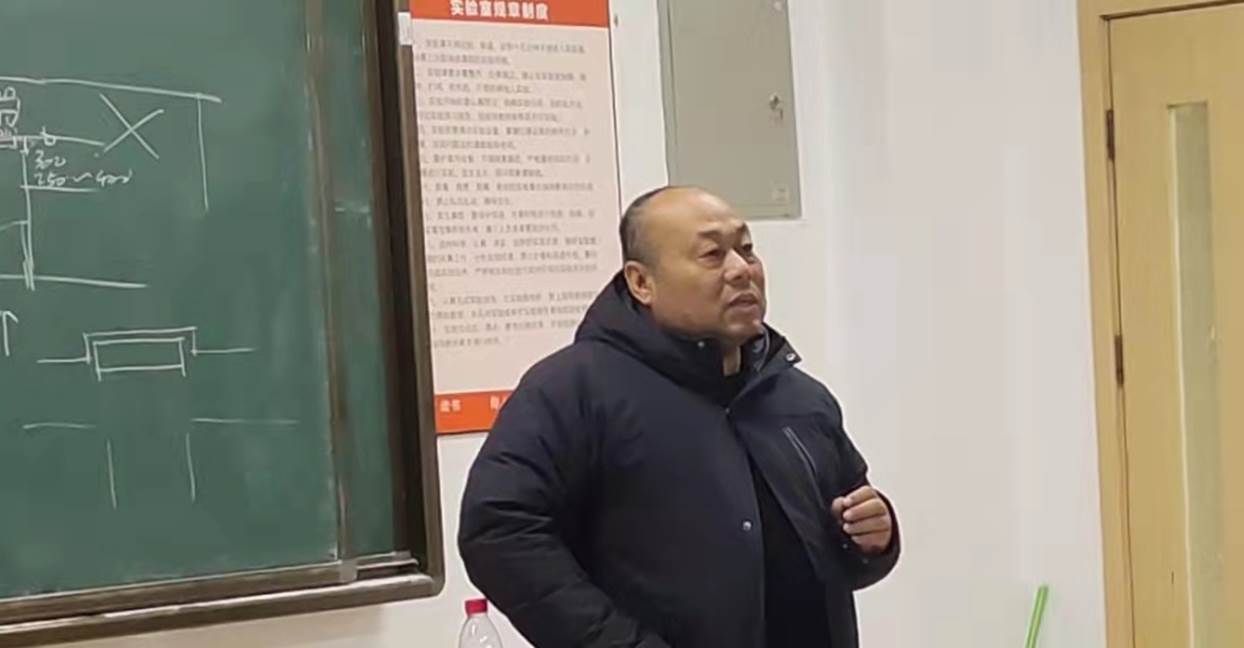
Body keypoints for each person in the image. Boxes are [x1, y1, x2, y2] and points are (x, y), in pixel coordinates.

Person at [459, 186, 900, 648]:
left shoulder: (798, 395)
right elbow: (499, 531)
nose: (741, 270)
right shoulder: (574, 390)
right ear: (641, 282)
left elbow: (844, 535)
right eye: (712, 255)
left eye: (747, 249)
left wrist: (872, 539)